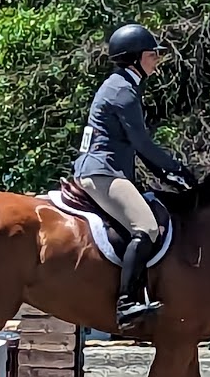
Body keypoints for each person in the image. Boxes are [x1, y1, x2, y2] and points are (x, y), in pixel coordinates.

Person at [74, 23, 191, 324]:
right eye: (153, 54)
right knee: (147, 227)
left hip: (109, 169)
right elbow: (142, 143)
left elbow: (138, 147)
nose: (157, 60)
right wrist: (176, 169)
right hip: (103, 171)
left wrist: (167, 175)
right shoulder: (122, 90)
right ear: (136, 57)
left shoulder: (123, 85)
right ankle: (126, 303)